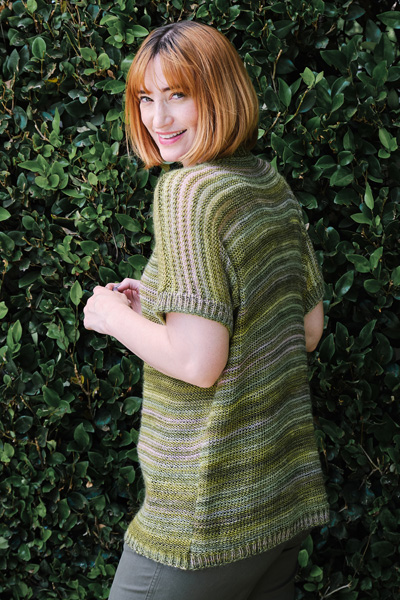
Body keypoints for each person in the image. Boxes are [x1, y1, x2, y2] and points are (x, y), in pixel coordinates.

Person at [83, 20, 329, 600]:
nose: (158, 118)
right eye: (146, 98)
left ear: (219, 93)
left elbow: (199, 363)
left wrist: (114, 318)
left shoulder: (187, 192)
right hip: (275, 508)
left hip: (204, 519)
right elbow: (306, 328)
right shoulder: (266, 183)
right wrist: (156, 304)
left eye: (178, 95)